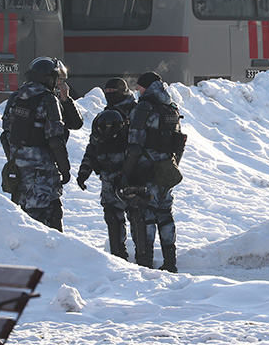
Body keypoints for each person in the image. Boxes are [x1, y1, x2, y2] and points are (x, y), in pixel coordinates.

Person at [1, 57, 81, 232]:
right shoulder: (48, 100)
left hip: (18, 171)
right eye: (57, 80)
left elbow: (6, 133)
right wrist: (64, 168)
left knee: (24, 216)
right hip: (42, 172)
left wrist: (17, 159)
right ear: (49, 78)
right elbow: (55, 139)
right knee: (46, 219)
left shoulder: (15, 98)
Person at [122, 71, 187, 271]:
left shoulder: (144, 107)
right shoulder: (171, 107)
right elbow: (178, 142)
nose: (136, 90)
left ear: (147, 88)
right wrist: (172, 164)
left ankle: (146, 262)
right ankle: (170, 261)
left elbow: (134, 143)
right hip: (166, 169)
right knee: (165, 215)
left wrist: (126, 173)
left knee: (146, 215)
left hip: (146, 168)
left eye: (139, 87)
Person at [77, 78, 138, 259]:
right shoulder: (105, 115)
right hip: (108, 175)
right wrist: (84, 171)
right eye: (107, 91)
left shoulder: (136, 114)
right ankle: (118, 256)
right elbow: (94, 145)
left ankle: (143, 257)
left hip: (132, 174)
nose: (109, 94)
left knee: (137, 215)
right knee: (112, 215)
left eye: (113, 91)